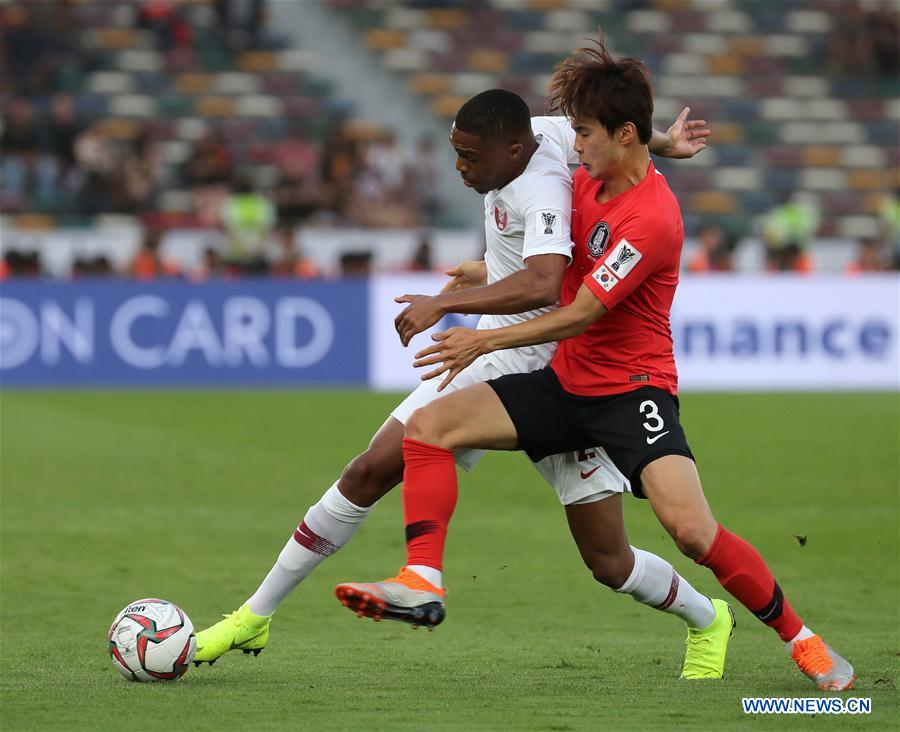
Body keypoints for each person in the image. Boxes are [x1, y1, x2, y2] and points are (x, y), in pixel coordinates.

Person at [337, 41, 855, 693]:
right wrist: (489, 271)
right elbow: (552, 244)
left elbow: (578, 311)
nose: (573, 143)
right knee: (429, 429)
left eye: (584, 132)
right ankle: (421, 581)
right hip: (564, 384)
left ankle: (803, 642)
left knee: (690, 531)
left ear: (622, 135)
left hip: (631, 394)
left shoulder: (653, 219)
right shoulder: (588, 171)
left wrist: (483, 341)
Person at [194, 89, 720, 676]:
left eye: (470, 157)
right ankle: (256, 615)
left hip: (558, 373)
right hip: (492, 355)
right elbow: (600, 135)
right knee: (369, 469)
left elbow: (546, 282)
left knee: (608, 559)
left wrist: (445, 306)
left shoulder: (542, 190)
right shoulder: (539, 134)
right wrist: (666, 143)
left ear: (512, 150)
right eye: (457, 151)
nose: (460, 166)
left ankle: (708, 619)